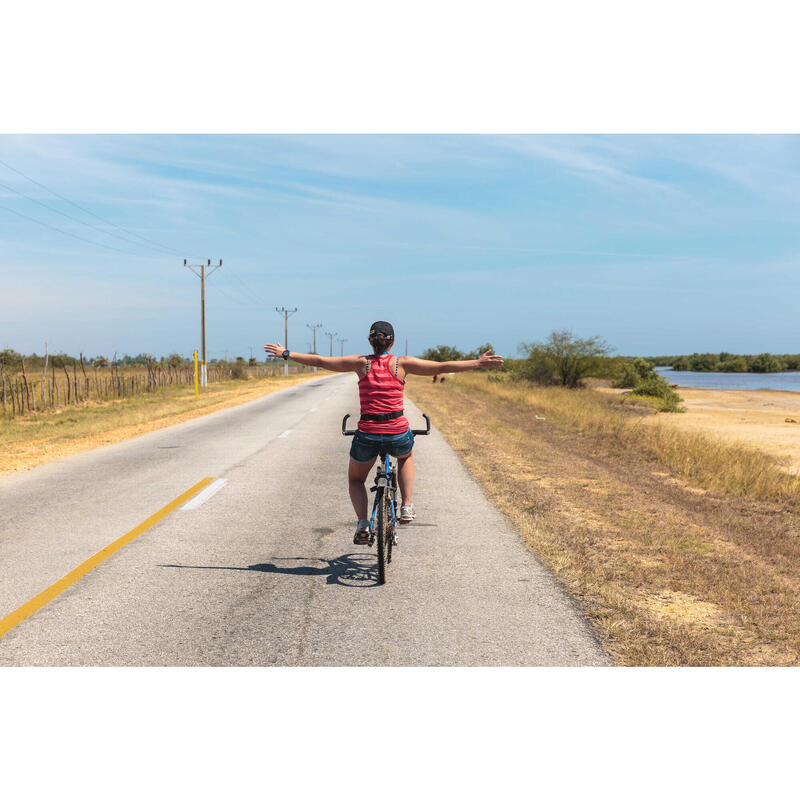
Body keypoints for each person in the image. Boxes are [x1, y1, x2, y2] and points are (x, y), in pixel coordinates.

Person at [265, 322, 503, 544]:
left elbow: (321, 361)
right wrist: (478, 363)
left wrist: (286, 354)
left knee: (356, 479)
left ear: (371, 342)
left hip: (367, 433)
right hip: (397, 431)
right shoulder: (402, 364)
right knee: (405, 456)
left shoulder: (361, 363)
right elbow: (442, 367)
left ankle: (362, 524)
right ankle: (407, 506)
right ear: (392, 342)